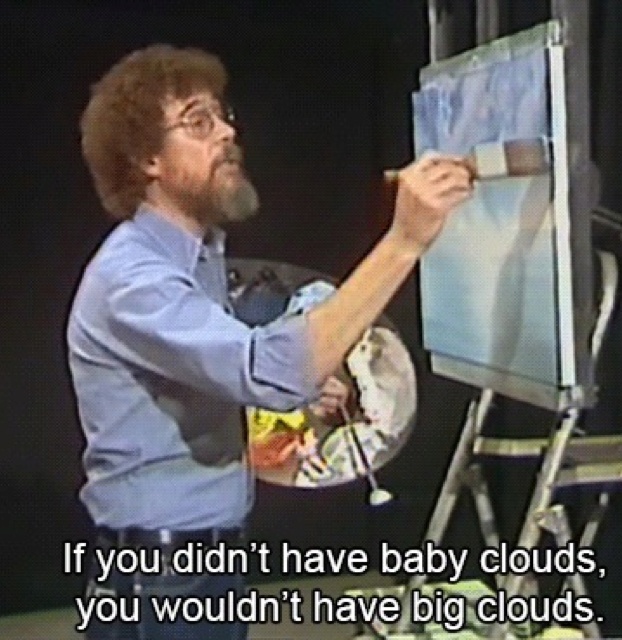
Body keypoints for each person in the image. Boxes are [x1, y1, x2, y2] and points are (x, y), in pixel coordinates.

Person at [67, 44, 473, 640]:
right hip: (164, 578)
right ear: (146, 158)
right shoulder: (134, 279)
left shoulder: (197, 257)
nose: (227, 132)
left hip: (193, 565)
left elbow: (233, 370)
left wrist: (308, 383)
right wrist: (405, 241)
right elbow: (272, 372)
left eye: (223, 114)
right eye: (198, 122)